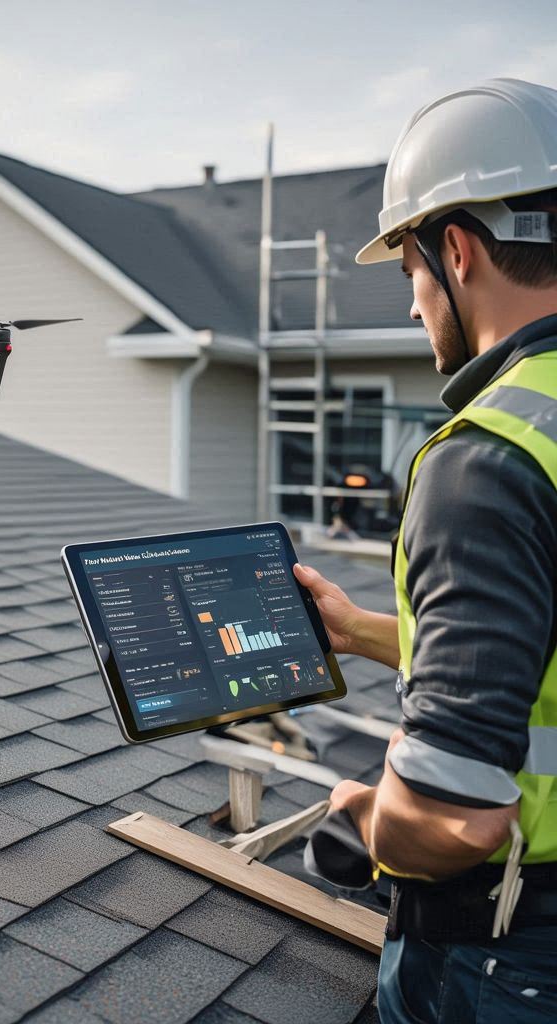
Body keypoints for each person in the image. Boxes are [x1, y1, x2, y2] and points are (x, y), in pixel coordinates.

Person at [295, 78, 557, 1022]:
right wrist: (360, 631)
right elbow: (531, 638)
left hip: (512, 956)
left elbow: (456, 817)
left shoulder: (487, 457)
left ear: (457, 249)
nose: (413, 306)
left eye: (409, 268)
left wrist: (367, 824)